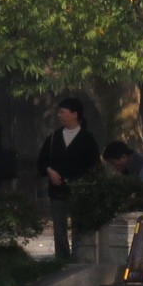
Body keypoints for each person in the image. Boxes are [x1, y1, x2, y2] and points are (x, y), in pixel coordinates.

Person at [36, 95, 101, 258]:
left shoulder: (87, 139)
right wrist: (49, 171)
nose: (59, 115)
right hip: (56, 190)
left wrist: (80, 181)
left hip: (78, 192)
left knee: (78, 227)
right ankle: (62, 259)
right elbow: (42, 161)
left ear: (75, 114)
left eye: (62, 112)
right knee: (59, 228)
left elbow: (94, 166)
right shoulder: (54, 137)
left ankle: (78, 257)